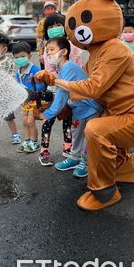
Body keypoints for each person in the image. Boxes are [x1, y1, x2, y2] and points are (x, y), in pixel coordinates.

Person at [55, 0, 134, 212]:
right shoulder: (94, 56)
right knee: (110, 166)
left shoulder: (115, 48)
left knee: (95, 130)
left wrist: (57, 81)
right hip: (117, 117)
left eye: (86, 19)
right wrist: (61, 106)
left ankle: (104, 193)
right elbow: (81, 86)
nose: (80, 28)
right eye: (73, 23)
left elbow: (93, 87)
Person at [35, 37, 102, 172]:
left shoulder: (68, 67)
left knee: (90, 136)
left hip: (91, 107)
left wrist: (47, 114)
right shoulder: (61, 69)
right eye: (47, 51)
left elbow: (62, 95)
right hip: (79, 109)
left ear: (64, 52)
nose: (48, 53)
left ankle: (86, 161)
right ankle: (74, 158)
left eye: (52, 50)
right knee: (76, 134)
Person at [12, 41, 48, 153]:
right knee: (24, 122)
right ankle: (27, 140)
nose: (20, 59)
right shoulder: (18, 71)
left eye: (22, 56)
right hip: (25, 101)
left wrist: (32, 91)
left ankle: (35, 141)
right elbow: (17, 83)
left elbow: (42, 84)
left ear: (30, 56)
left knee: (31, 121)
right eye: (16, 57)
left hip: (34, 100)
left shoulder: (35, 70)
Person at [0, 33, 22, 147]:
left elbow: (11, 78)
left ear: (4, 49)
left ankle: (15, 134)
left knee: (9, 118)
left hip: (6, 97)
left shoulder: (9, 62)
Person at [36, 1, 56, 70]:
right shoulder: (41, 23)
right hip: (47, 51)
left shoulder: (59, 20)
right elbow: (39, 39)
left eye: (51, 9)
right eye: (47, 9)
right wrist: (40, 54)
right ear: (44, 11)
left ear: (55, 10)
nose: (50, 11)